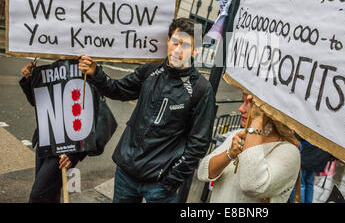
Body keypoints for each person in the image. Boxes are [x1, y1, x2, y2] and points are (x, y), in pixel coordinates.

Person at [78, 17, 215, 203]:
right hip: (126, 175)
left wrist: (171, 180)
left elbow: (198, 144)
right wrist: (96, 73)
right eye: (175, 42)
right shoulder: (151, 69)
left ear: (196, 50)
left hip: (161, 185)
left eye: (185, 45)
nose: (177, 50)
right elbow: (118, 90)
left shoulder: (201, 89)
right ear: (168, 40)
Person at [197, 93, 300, 203]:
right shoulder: (238, 134)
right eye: (243, 102)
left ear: (270, 111)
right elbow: (203, 173)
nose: (241, 109)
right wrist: (230, 154)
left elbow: (252, 186)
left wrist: (257, 120)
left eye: (250, 104)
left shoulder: (289, 152)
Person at [20, 60, 86, 203]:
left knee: (38, 196)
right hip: (45, 138)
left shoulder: (85, 69)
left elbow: (93, 118)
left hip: (66, 146)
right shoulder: (54, 68)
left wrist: (74, 153)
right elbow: (40, 103)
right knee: (49, 194)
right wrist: (30, 80)